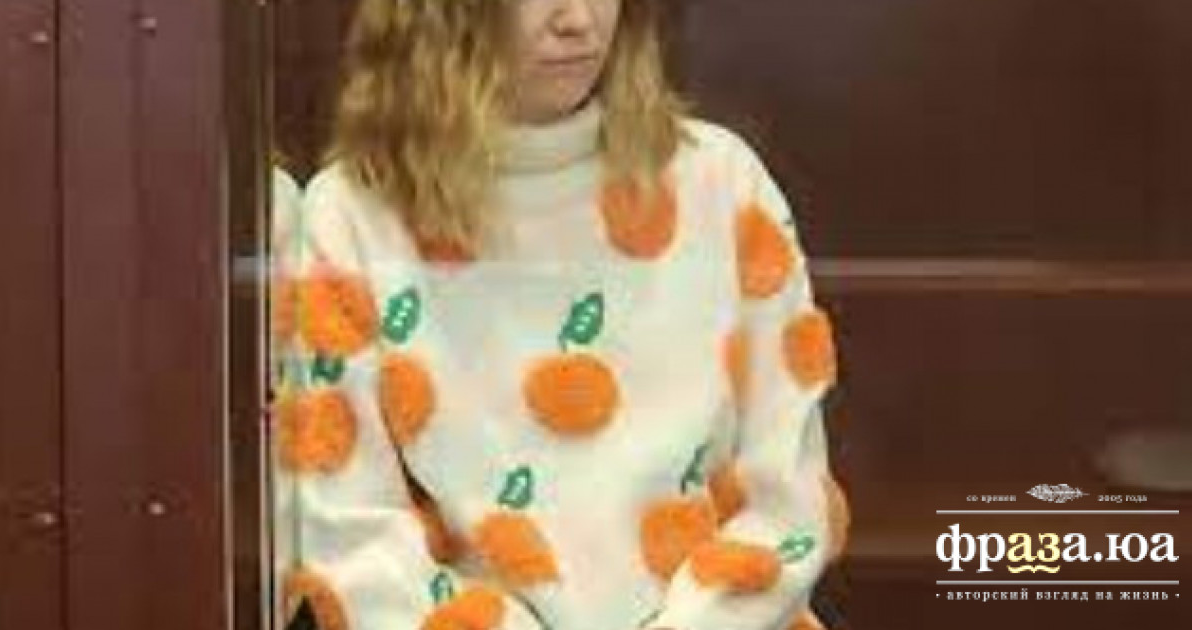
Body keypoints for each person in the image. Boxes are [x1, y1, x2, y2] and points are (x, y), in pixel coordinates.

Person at [269, 1, 849, 629]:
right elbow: (353, 539)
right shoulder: (350, 216)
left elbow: (787, 501)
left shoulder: (722, 181)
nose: (578, 19)